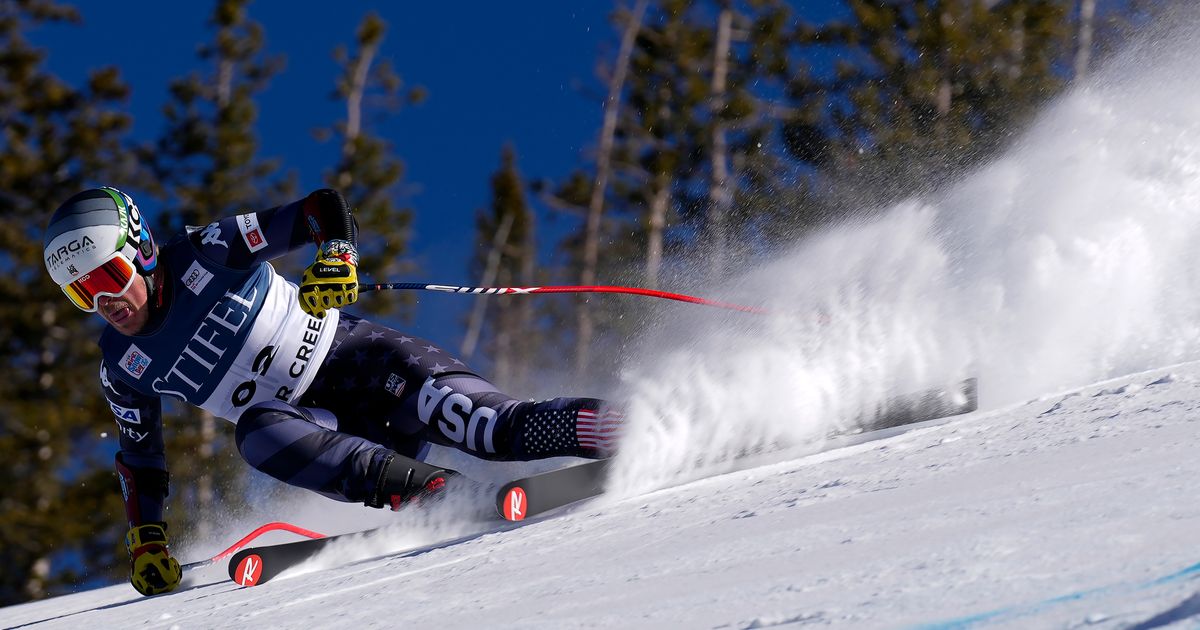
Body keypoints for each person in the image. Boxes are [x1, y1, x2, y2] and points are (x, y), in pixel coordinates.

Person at [42, 187, 623, 596]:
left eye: (108, 278)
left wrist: (335, 256)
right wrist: (146, 540)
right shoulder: (123, 364)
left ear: (141, 251)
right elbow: (141, 459)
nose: (104, 302)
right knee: (257, 433)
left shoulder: (208, 252)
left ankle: (622, 428)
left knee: (494, 430)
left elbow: (317, 210)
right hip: (328, 431)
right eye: (80, 294)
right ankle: (435, 494)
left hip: (371, 367)